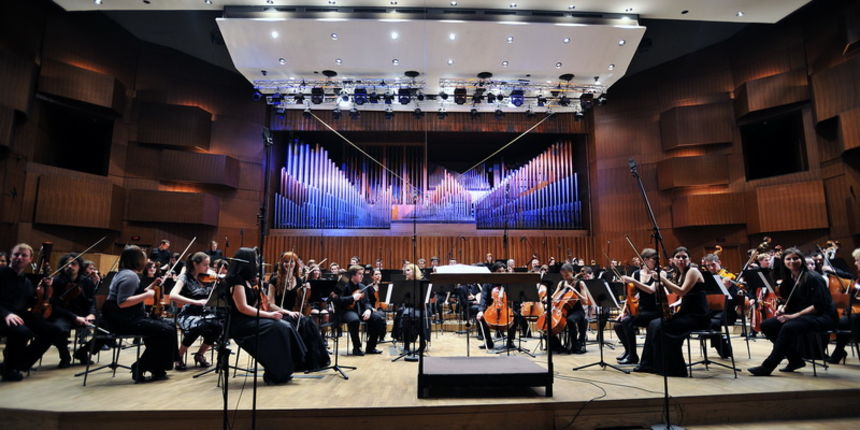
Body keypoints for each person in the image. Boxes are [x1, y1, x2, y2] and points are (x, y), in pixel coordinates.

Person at [748, 248, 837, 376]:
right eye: (788, 259)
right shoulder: (789, 280)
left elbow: (819, 305)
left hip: (822, 316)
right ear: (783, 262)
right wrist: (782, 308)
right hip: (802, 316)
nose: (792, 261)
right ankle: (795, 360)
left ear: (801, 260)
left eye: (795, 258)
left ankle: (768, 366)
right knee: (767, 325)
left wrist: (792, 316)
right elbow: (789, 302)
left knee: (788, 327)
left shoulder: (813, 278)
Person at [226, 247, 306, 384]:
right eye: (255, 260)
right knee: (278, 328)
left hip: (250, 319)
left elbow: (256, 303)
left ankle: (284, 369)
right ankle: (275, 372)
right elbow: (243, 308)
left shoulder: (249, 281)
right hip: (240, 323)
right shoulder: (235, 280)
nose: (257, 263)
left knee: (285, 326)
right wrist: (269, 315)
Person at [102, 245, 179, 382]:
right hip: (124, 320)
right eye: (144, 257)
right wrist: (148, 294)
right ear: (137, 260)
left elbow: (135, 293)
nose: (147, 260)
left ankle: (157, 368)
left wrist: (152, 286)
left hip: (125, 317)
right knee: (166, 331)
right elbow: (122, 302)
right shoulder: (131, 276)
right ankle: (141, 366)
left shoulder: (124, 273)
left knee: (168, 328)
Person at [634, 246, 710, 377]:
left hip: (697, 316)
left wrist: (663, 280)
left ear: (689, 259)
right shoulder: (679, 274)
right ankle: (648, 364)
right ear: (673, 260)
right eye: (678, 257)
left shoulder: (693, 271)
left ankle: (675, 369)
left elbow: (682, 291)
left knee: (663, 326)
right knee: (654, 324)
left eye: (684, 257)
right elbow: (683, 296)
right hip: (685, 313)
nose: (681, 259)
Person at [0, 244, 64, 382]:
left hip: (19, 315)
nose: (19, 258)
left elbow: (31, 303)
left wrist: (46, 289)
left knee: (53, 330)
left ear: (30, 259)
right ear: (10, 256)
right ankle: (9, 370)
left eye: (24, 255)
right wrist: (6, 314)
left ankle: (19, 364)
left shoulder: (26, 281)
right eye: (16, 254)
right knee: (22, 332)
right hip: (3, 315)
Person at [169, 252, 223, 370]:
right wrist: (195, 302)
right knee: (197, 326)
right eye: (205, 265)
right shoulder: (185, 277)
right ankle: (179, 355)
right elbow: (172, 295)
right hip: (187, 314)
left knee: (218, 326)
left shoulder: (208, 277)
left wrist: (221, 280)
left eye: (209, 265)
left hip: (205, 314)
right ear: (195, 264)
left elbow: (221, 283)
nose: (208, 268)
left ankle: (200, 354)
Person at [49, 253, 98, 368]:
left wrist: (92, 314)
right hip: (65, 315)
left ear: (79, 266)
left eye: (73, 264)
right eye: (66, 264)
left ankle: (82, 352)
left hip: (84, 315)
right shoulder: (57, 281)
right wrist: (74, 317)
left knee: (108, 327)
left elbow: (93, 301)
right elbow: (55, 306)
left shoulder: (86, 281)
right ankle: (65, 356)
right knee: (57, 329)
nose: (70, 266)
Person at [617, 248, 662, 365]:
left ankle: (632, 356)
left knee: (627, 322)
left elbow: (651, 290)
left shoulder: (660, 273)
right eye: (654, 260)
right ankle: (629, 351)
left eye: (657, 260)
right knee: (618, 324)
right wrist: (623, 311)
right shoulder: (636, 274)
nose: (657, 262)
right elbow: (630, 296)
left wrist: (633, 281)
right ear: (645, 260)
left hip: (655, 311)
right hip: (640, 310)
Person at [333, 265, 385, 356]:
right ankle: (356, 348)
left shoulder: (362, 286)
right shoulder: (342, 284)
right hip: (345, 311)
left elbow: (367, 302)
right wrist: (352, 297)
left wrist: (368, 310)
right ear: (352, 275)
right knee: (354, 320)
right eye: (359, 274)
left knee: (378, 318)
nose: (362, 276)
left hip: (360, 311)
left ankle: (371, 347)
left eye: (362, 274)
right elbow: (337, 300)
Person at [476, 262, 521, 350]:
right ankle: (488, 342)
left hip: (506, 308)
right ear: (493, 272)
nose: (501, 274)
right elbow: (483, 298)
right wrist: (481, 310)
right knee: (480, 318)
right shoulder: (488, 283)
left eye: (503, 271)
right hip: (491, 308)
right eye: (499, 271)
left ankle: (510, 341)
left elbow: (516, 297)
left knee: (515, 315)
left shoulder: (508, 283)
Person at [828, 247, 860, 363]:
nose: (855, 263)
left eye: (857, 260)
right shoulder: (858, 277)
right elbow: (855, 292)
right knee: (842, 320)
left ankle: (839, 351)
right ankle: (839, 351)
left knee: (843, 321)